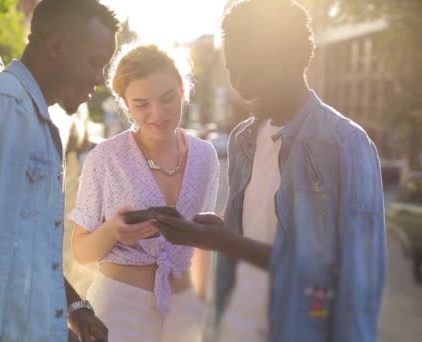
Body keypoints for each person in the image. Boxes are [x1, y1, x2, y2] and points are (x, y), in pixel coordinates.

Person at [152, 1, 386, 341]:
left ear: (292, 57)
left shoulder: (345, 144)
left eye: (254, 67)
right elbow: (251, 241)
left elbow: (355, 280)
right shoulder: (242, 139)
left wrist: (228, 242)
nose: (242, 83)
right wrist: (217, 233)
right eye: (234, 69)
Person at [0, 0, 120, 341]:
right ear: (56, 46)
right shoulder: (3, 108)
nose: (101, 79)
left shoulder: (32, 116)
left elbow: (27, 249)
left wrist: (72, 310)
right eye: (95, 62)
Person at [69, 43, 220, 342]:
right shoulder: (105, 158)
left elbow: (202, 245)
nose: (157, 113)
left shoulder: (206, 156)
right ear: (125, 104)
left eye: (167, 98)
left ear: (182, 90)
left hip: (185, 312)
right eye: (141, 104)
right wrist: (112, 230)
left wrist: (204, 309)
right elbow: (80, 252)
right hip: (119, 310)